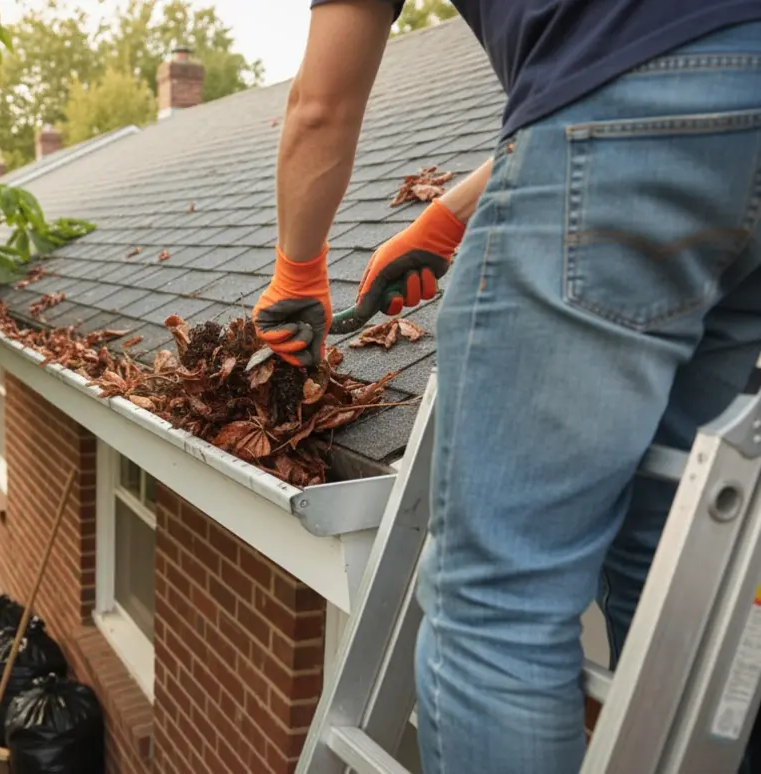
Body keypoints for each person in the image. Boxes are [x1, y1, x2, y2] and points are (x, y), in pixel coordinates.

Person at [251, 2, 761, 773]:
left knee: (499, 606)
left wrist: (297, 272)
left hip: (629, 128)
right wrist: (446, 222)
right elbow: (666, 50)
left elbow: (321, 107)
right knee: (678, 547)